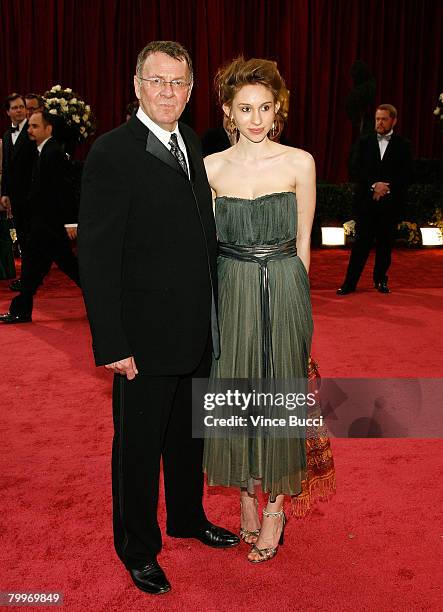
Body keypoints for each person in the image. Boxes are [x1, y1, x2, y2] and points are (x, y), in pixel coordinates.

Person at [77, 40, 238, 596]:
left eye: (179, 83)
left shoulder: (191, 141)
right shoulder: (112, 152)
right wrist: (112, 341)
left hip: (195, 330)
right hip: (142, 339)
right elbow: (96, 256)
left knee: (188, 439)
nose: (169, 91)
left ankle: (188, 519)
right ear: (138, 85)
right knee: (138, 449)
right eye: (158, 80)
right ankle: (137, 548)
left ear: (191, 92)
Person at [202, 57, 317, 563]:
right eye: (245, 108)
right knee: (234, 386)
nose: (256, 119)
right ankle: (245, 493)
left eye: (265, 108)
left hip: (285, 283)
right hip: (230, 286)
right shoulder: (210, 169)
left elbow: (304, 241)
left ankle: (275, 505)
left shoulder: (299, 162)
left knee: (278, 389)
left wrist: (301, 309)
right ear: (228, 110)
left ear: (277, 110)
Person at [0, 110, 80, 324]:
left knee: (65, 268)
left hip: (49, 226)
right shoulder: (42, 151)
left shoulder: (52, 153)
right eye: (29, 126)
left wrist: (71, 222)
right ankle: (21, 309)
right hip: (44, 226)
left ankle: (21, 309)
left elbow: (66, 190)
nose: (29, 130)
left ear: (48, 129)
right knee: (38, 270)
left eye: (34, 126)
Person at [337, 104, 413, 295]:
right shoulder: (363, 142)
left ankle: (380, 280)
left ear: (393, 121)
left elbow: (407, 173)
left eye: (384, 119)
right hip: (366, 203)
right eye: (377, 119)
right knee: (360, 244)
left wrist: (387, 187)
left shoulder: (404, 145)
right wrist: (374, 185)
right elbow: (354, 167)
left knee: (385, 245)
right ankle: (350, 283)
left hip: (390, 204)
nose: (379, 122)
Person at [1, 93, 35, 290]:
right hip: (14, 196)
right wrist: (4, 193)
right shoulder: (6, 136)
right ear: (8, 112)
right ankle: (27, 277)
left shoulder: (32, 131)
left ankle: (30, 277)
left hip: (31, 194)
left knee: (31, 236)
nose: (19, 110)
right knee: (21, 235)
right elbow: (6, 167)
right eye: (14, 108)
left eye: (21, 107)